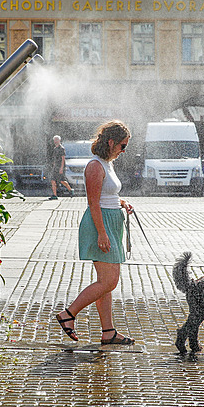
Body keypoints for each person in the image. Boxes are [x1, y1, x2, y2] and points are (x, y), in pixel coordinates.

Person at [55, 120, 135, 345]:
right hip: (100, 224)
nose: (123, 151)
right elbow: (93, 203)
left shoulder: (107, 163)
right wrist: (102, 233)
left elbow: (106, 195)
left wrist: (121, 202)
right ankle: (68, 314)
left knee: (105, 282)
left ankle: (108, 332)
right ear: (110, 142)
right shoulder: (95, 165)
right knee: (109, 281)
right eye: (122, 145)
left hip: (111, 221)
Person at [49, 135, 74, 200]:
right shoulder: (55, 149)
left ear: (59, 140)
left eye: (57, 140)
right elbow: (55, 158)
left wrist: (61, 168)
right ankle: (54, 195)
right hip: (55, 167)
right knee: (53, 180)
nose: (56, 141)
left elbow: (63, 159)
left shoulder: (61, 148)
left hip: (60, 167)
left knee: (62, 181)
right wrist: (54, 165)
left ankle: (71, 190)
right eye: (55, 140)